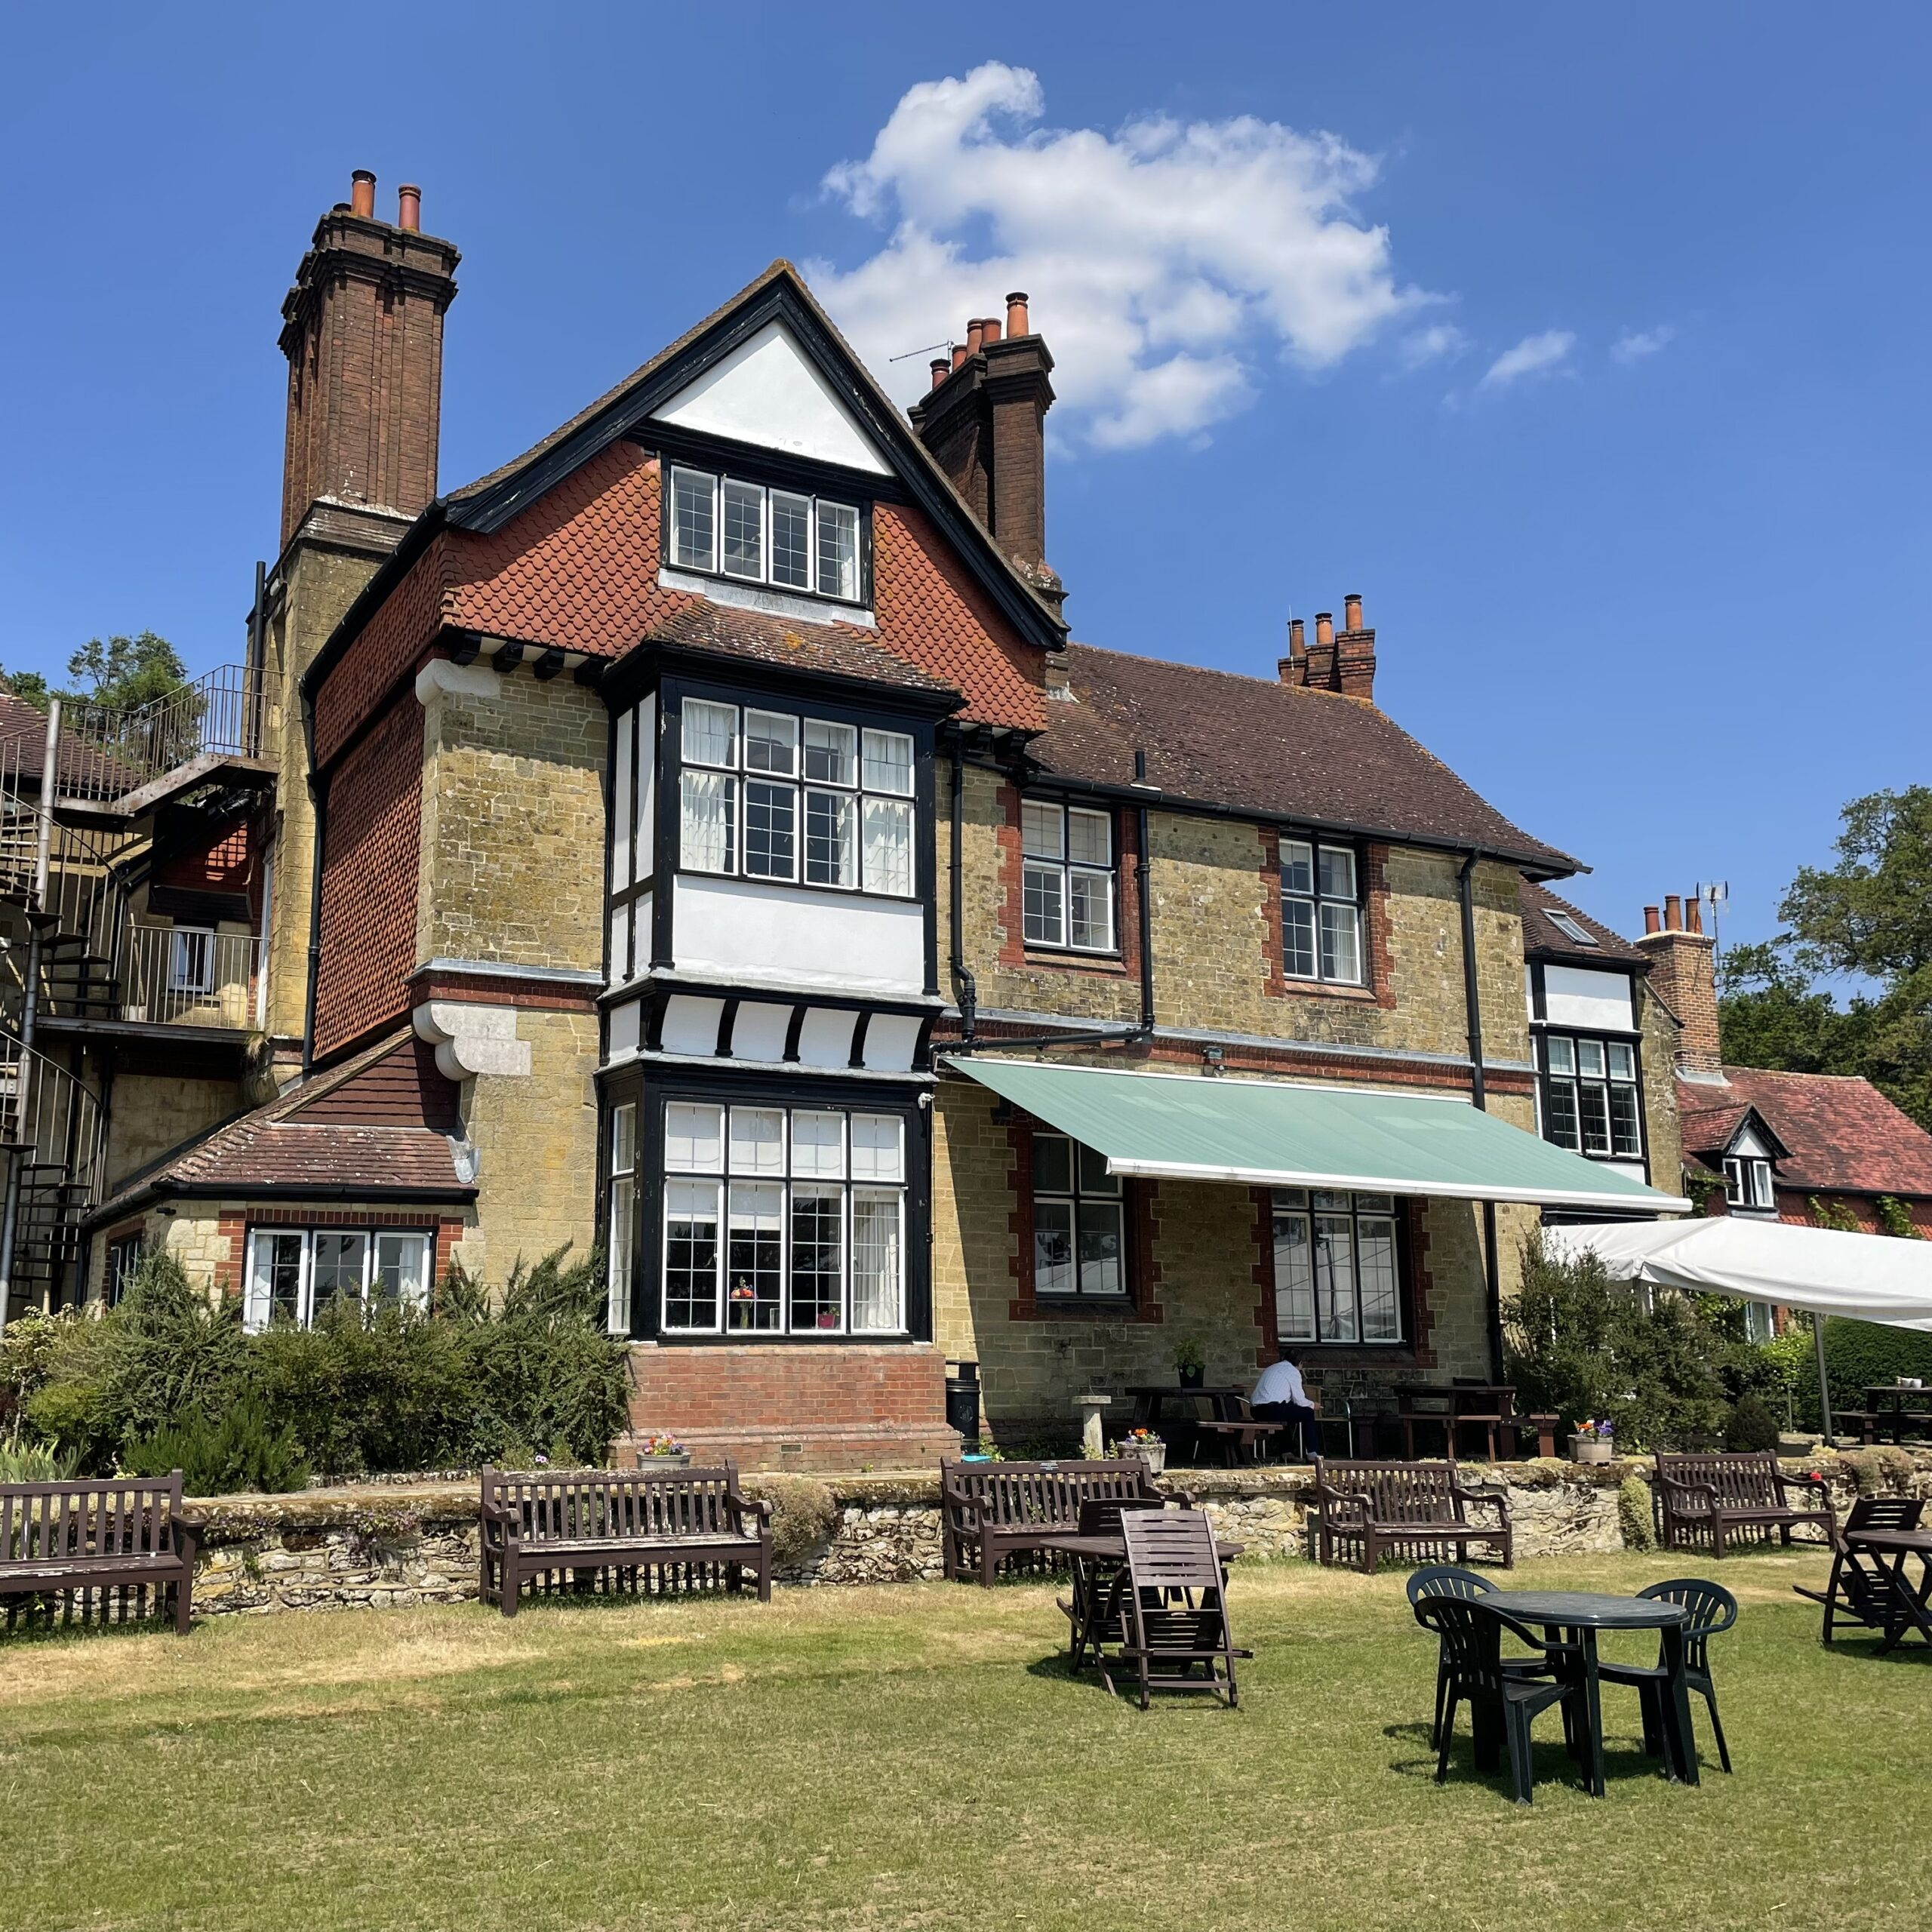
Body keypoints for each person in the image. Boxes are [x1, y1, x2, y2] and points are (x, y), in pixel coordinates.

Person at [1251, 1352, 1318, 1461]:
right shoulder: (1293, 1371)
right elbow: (1299, 1400)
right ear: (1300, 1363)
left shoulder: (1271, 1368)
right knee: (1307, 1413)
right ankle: (1312, 1453)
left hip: (1256, 1410)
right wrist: (1313, 1405)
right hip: (1272, 1409)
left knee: (1288, 1412)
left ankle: (1287, 1451)